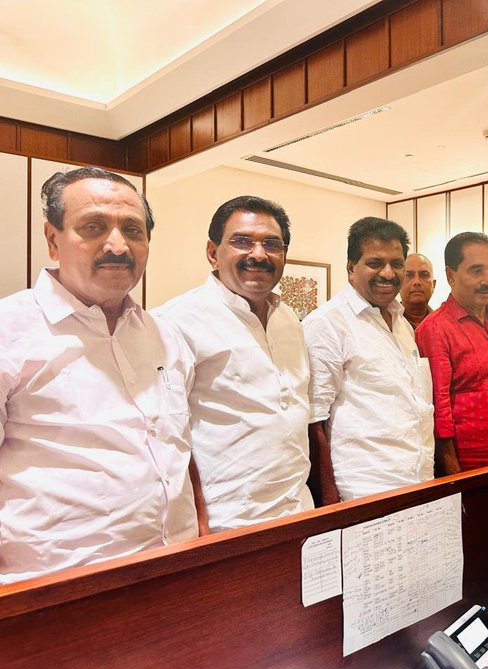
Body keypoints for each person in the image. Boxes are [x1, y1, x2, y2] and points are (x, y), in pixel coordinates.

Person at [0, 167, 198, 583]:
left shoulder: (167, 336)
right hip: (57, 592)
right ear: (53, 240)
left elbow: (177, 448)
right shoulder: (9, 331)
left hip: (178, 572)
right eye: (93, 227)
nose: (117, 245)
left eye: (133, 230)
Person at [153, 196, 314, 532]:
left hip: (298, 511)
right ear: (213, 253)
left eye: (272, 244)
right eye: (242, 241)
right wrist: (196, 527)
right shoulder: (176, 322)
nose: (258, 254)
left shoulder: (290, 320)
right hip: (227, 523)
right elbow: (165, 440)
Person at [303, 217, 434, 503]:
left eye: (396, 264)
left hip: (417, 481)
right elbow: (314, 421)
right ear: (351, 268)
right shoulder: (327, 324)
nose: (388, 273)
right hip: (364, 491)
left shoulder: (401, 323)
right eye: (375, 263)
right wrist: (329, 504)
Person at [415, 232, 488, 474]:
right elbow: (438, 408)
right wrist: (455, 478)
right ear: (450, 275)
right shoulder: (435, 328)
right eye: (476, 270)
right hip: (471, 469)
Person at [400, 252, 436, 329]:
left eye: (424, 275)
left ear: (434, 285)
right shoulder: (387, 323)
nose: (417, 282)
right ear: (398, 284)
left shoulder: (444, 323)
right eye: (409, 275)